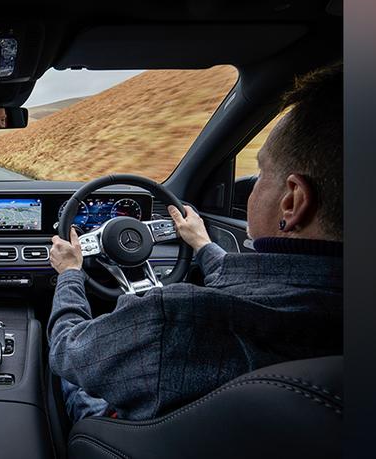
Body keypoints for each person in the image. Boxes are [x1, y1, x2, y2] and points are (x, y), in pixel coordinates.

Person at [48, 62, 343, 423]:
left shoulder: (174, 320)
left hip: (118, 438)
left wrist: (70, 274)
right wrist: (203, 245)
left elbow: (68, 348)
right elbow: (260, 290)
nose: (252, 187)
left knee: (68, 377)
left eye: (262, 175)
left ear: (292, 202)